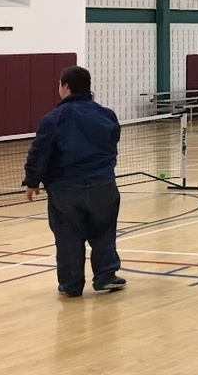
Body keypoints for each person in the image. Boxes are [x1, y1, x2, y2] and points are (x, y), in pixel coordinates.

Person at [22, 65, 126, 298]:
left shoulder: (52, 119)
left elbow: (40, 151)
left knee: (68, 235)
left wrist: (32, 181)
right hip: (103, 184)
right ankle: (106, 276)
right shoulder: (106, 115)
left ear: (65, 86)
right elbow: (113, 143)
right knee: (104, 231)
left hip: (65, 188)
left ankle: (71, 284)